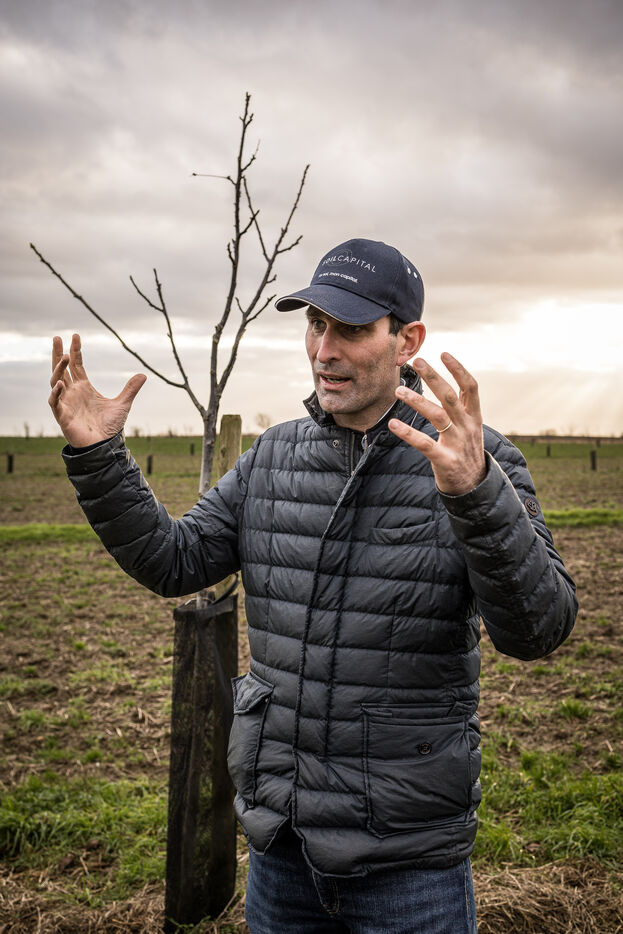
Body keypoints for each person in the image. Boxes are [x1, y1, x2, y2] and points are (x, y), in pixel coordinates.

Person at [49, 238, 577, 934]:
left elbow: (538, 631)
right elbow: (172, 561)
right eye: (315, 324)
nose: (324, 350)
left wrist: (476, 494)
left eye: (350, 329)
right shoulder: (273, 457)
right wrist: (98, 456)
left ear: (407, 340)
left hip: (409, 862)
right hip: (282, 849)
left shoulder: (477, 460)